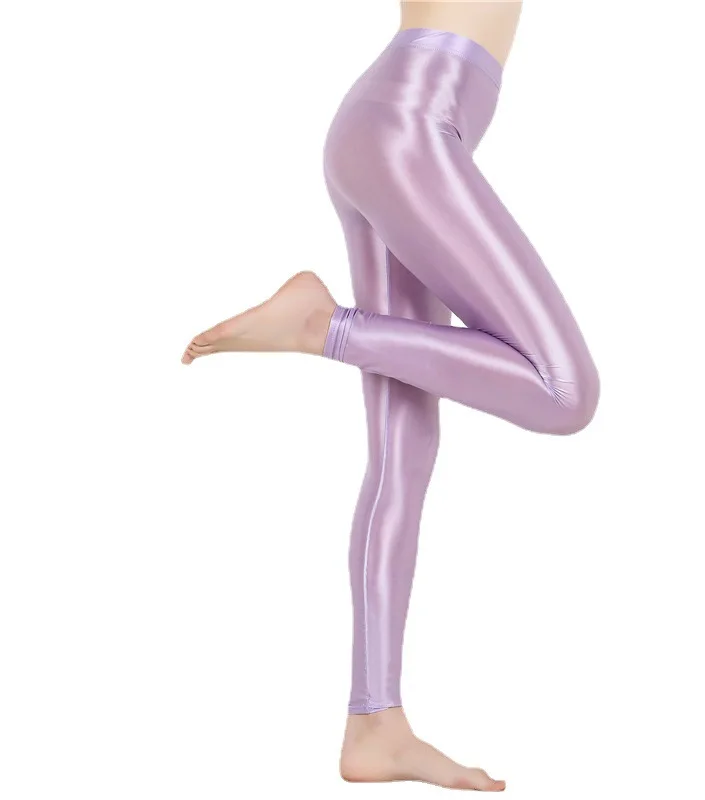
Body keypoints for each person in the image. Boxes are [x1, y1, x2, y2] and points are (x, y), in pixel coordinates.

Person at [181, 1, 599, 791]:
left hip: (392, 127)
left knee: (403, 453)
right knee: (564, 390)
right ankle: (323, 327)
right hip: (411, 127)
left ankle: (375, 724)